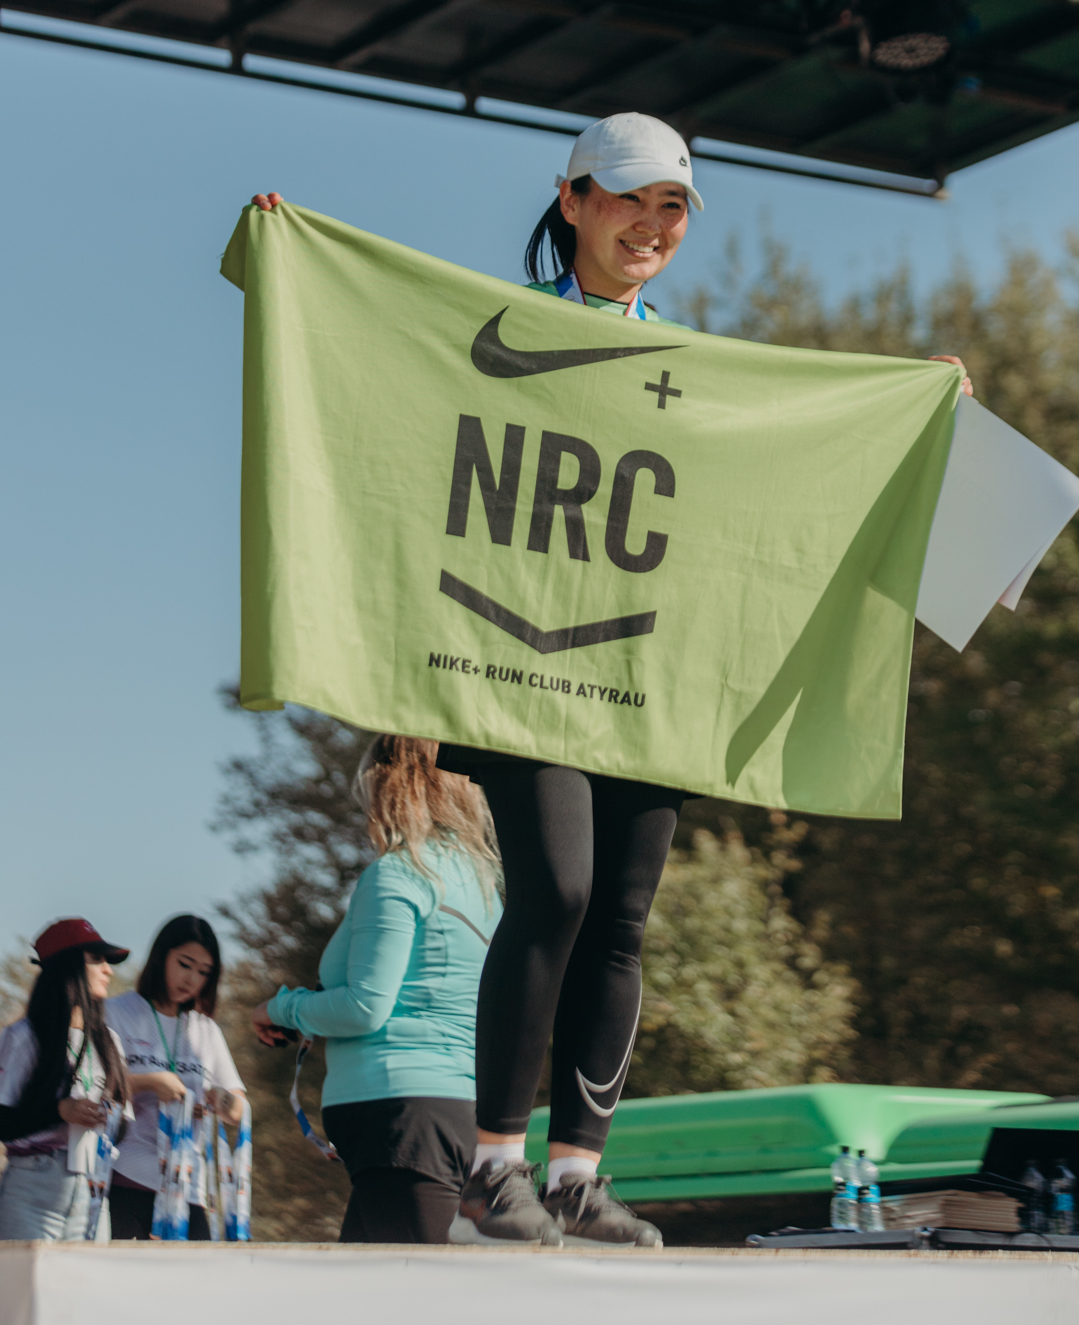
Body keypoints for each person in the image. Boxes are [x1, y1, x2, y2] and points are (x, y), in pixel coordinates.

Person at [249, 110, 973, 1249]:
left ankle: (576, 1175)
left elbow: (783, 467)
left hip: (640, 670)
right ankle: (496, 1162)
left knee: (621, 920)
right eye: (628, 197)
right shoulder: (493, 328)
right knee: (559, 891)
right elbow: (384, 374)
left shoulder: (694, 369)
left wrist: (909, 409)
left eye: (671, 204)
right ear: (572, 198)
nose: (650, 223)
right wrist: (301, 259)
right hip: (517, 666)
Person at [251, 735, 501, 1245]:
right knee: (361, 1284)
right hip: (459, 1106)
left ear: (390, 788)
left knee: (415, 1285)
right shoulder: (484, 886)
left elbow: (365, 1007)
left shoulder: (399, 874)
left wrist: (281, 1008)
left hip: (398, 1109)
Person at [0, 918, 134, 1241]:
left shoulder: (109, 1041)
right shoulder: (22, 1036)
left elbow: (123, 1125)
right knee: (23, 1277)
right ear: (68, 966)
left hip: (92, 1190)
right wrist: (60, 1111)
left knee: (92, 1278)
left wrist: (107, 1119)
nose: (108, 970)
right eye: (97, 959)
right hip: (30, 1190)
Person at [104, 915, 247, 1239]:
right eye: (185, 964)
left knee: (198, 1272)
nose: (192, 979)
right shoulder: (117, 1012)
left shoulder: (206, 1030)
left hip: (188, 1189)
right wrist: (153, 1083)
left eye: (204, 972)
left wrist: (218, 1100)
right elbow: (94, 1085)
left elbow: (237, 1110)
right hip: (126, 1179)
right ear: (161, 956)